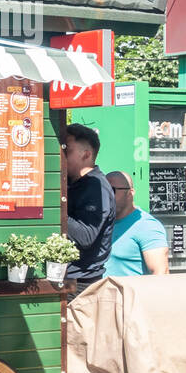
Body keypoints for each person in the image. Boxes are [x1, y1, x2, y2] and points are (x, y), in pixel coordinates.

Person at [61, 123, 115, 294]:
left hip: (80, 285)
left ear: (86, 154)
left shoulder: (96, 187)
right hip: (69, 279)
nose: (61, 155)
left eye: (67, 150)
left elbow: (85, 236)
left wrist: (56, 209)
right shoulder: (73, 183)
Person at [104, 170, 169, 276]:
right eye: (103, 191)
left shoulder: (146, 226)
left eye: (112, 190)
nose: (107, 196)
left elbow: (161, 273)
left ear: (131, 192)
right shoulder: (101, 222)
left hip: (129, 292)